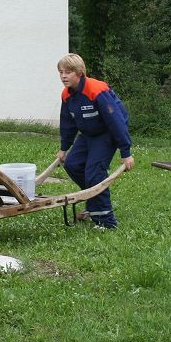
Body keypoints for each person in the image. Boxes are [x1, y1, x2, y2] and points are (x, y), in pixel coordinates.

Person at [56, 53, 134, 229]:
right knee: (73, 164)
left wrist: (126, 152)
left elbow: (116, 122)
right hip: (88, 133)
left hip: (107, 133)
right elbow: (67, 123)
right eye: (61, 72)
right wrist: (64, 148)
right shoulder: (67, 95)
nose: (63, 76)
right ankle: (93, 199)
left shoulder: (96, 90)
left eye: (68, 72)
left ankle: (106, 221)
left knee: (94, 173)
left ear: (80, 73)